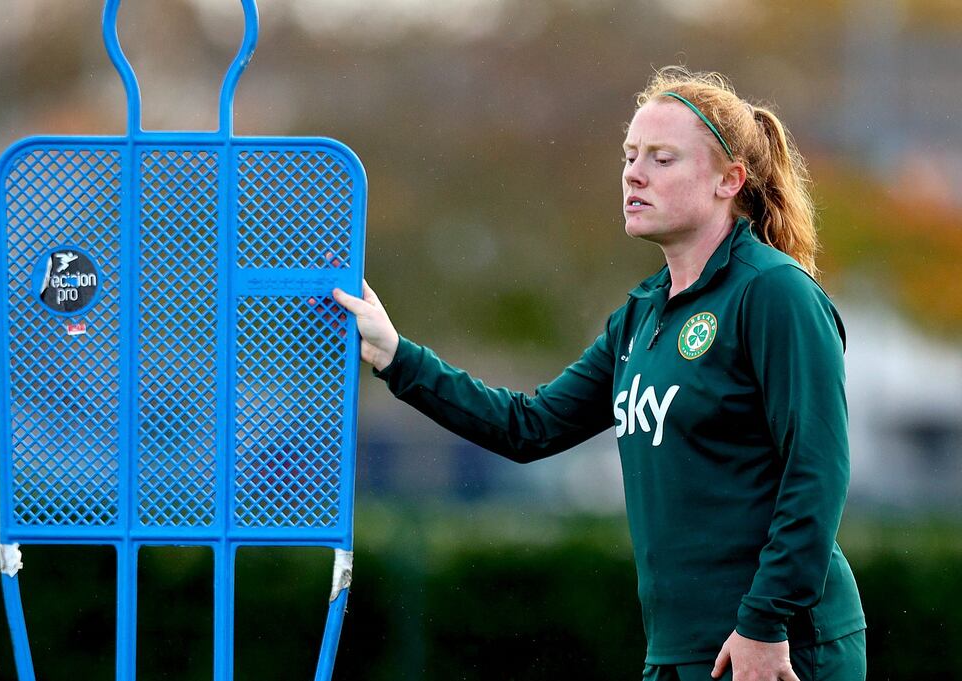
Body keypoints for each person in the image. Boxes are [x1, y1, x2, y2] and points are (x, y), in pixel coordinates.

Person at [333, 66, 866, 681]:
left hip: (779, 648)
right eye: (630, 156)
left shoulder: (773, 294)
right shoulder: (641, 315)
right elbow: (527, 427)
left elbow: (817, 469)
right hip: (681, 650)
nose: (634, 174)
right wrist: (396, 355)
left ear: (730, 180)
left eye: (662, 159)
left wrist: (765, 624)